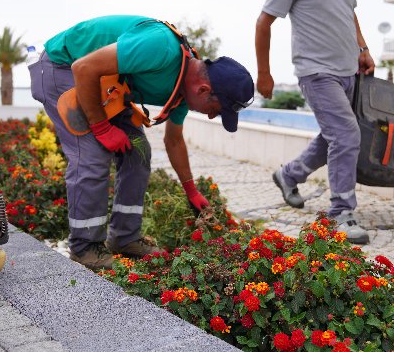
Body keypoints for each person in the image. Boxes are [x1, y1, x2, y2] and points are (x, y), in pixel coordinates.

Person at [30, 15, 254, 270]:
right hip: (62, 66)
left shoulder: (181, 90)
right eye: (217, 109)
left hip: (105, 85)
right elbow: (84, 68)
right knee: (92, 155)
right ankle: (85, 249)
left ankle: (125, 238)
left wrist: (191, 191)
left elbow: (174, 141)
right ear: (203, 90)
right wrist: (102, 128)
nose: (213, 116)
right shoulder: (161, 47)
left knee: (138, 151)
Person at [254, 0, 375, 245]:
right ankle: (341, 211)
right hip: (315, 71)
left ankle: (288, 175)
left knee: (333, 137)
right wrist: (264, 72)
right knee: (347, 134)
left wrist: (363, 49)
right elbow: (265, 21)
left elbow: (348, 12)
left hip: (347, 70)